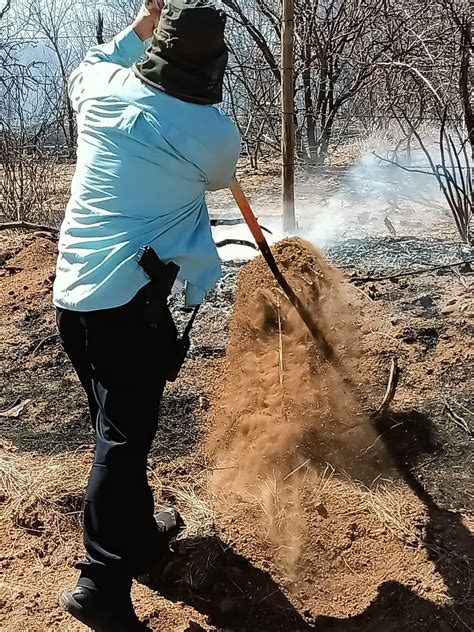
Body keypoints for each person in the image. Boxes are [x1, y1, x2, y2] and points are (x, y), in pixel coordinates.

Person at [53, 0, 240, 629]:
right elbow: (215, 177)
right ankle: (100, 585)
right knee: (123, 442)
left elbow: (97, 60)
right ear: (212, 67)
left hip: (73, 297)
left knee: (118, 425)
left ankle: (134, 537)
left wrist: (144, 20)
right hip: (127, 306)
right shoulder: (213, 135)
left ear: (159, 47)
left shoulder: (102, 90)